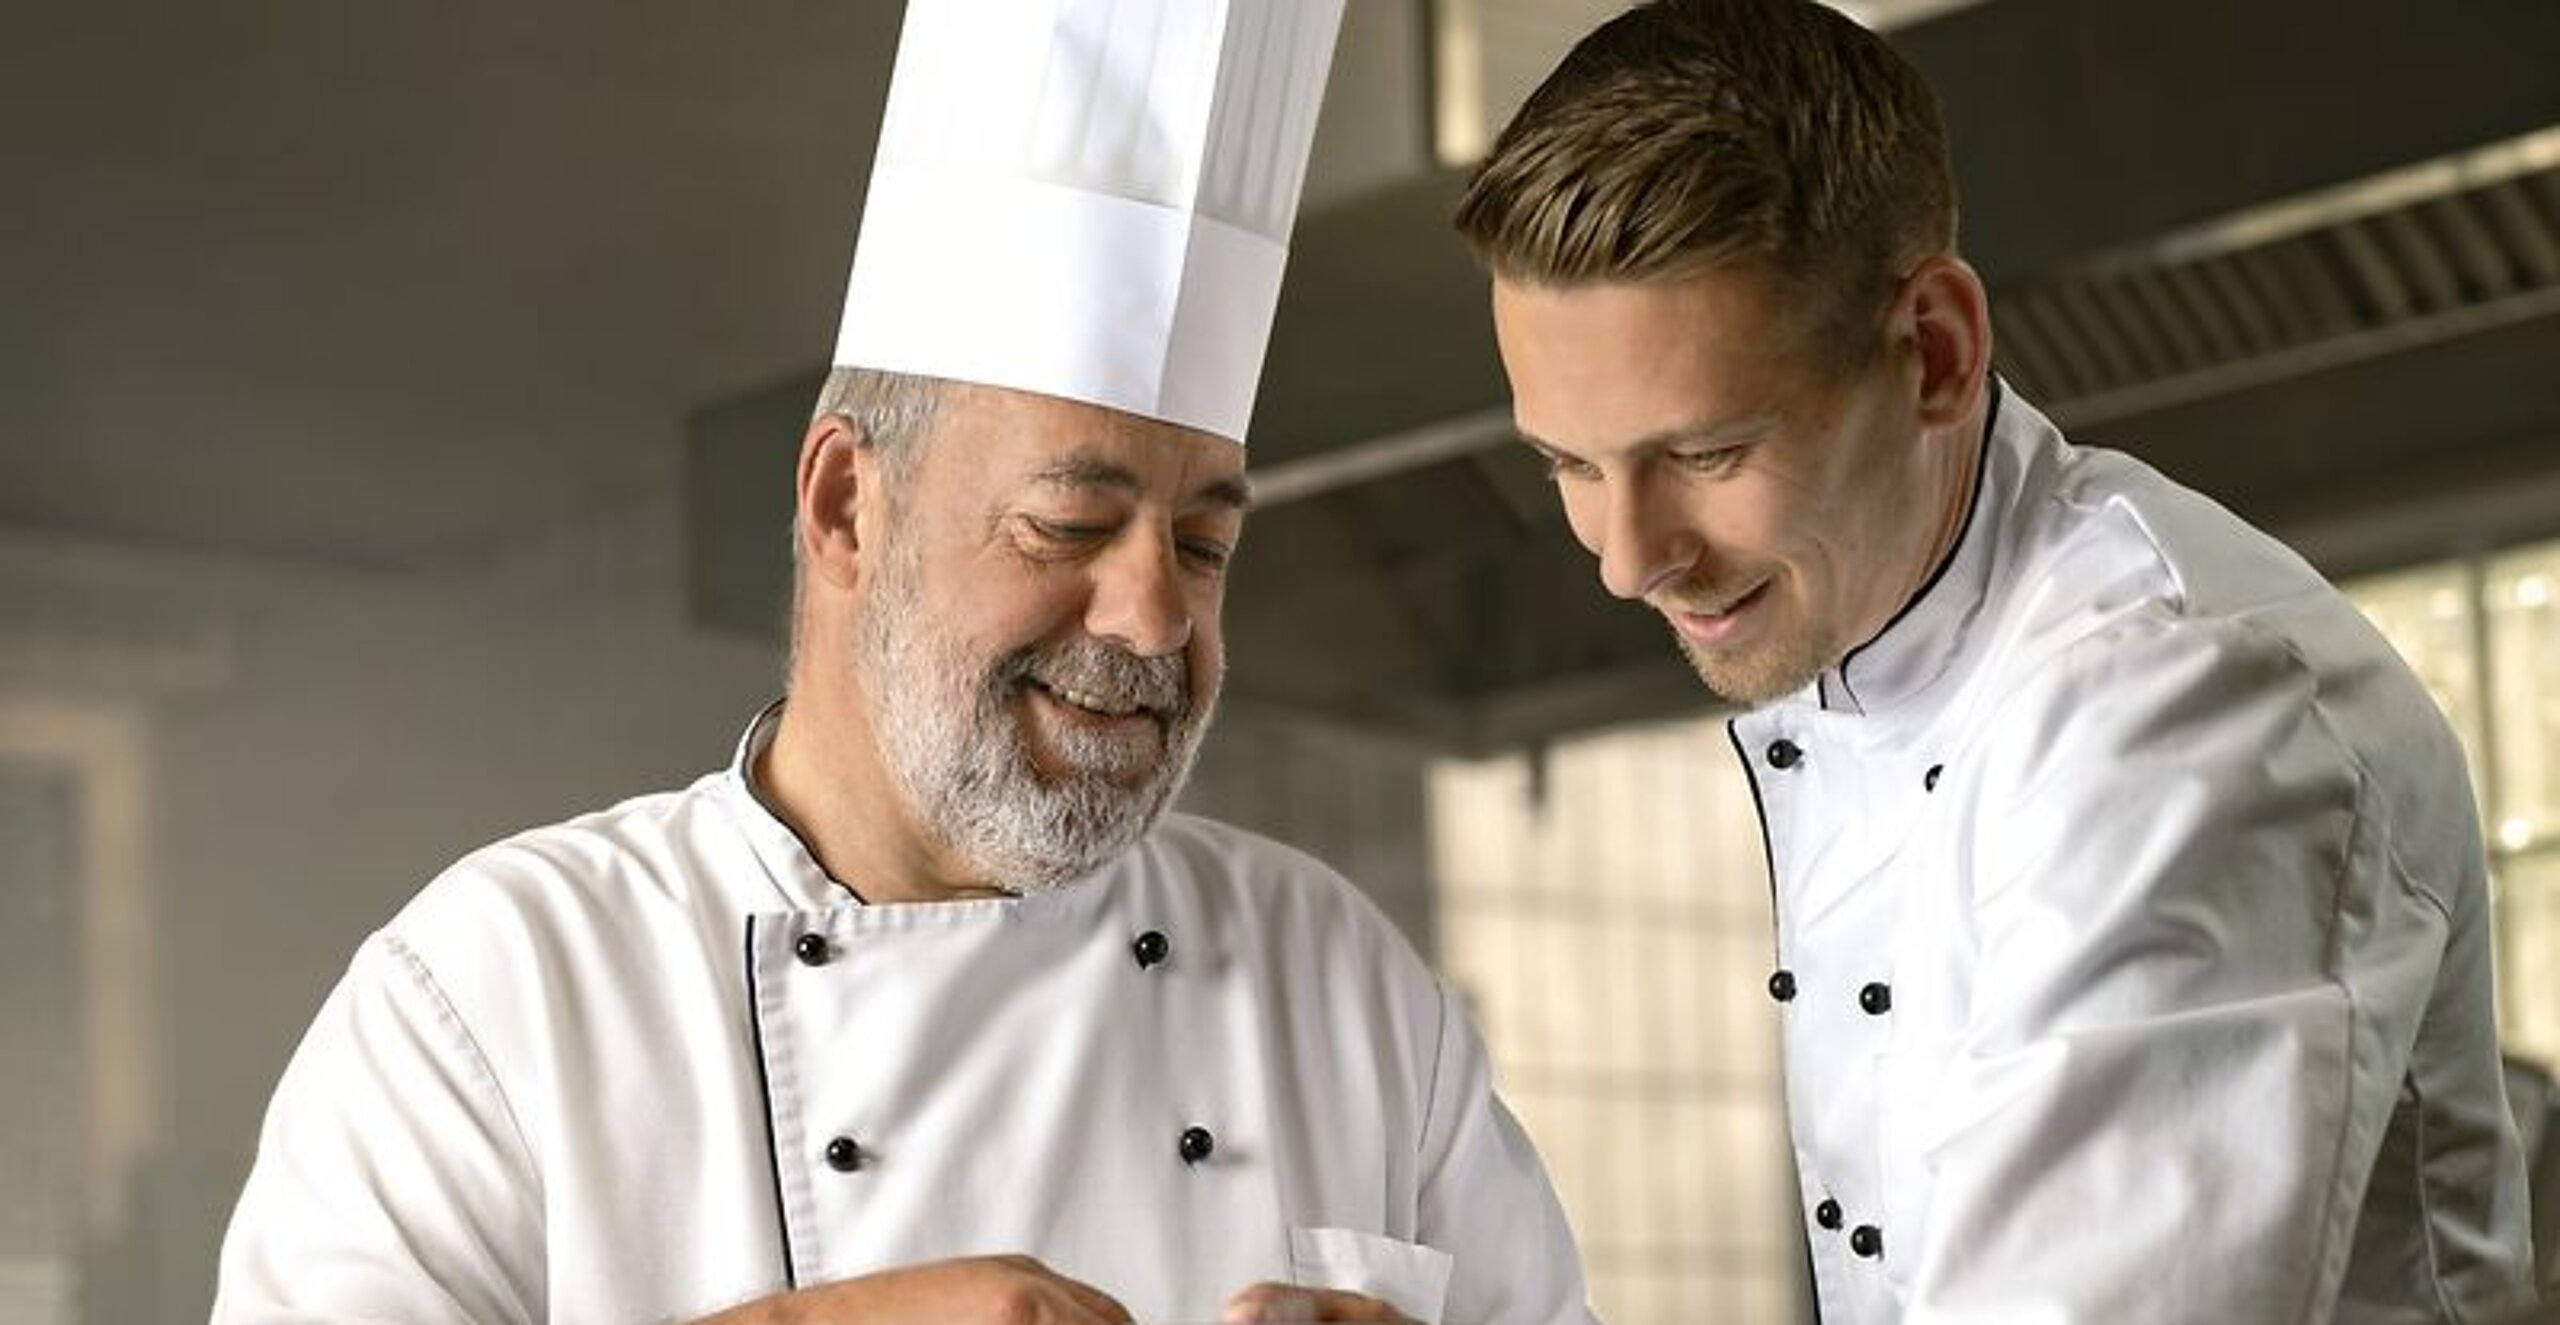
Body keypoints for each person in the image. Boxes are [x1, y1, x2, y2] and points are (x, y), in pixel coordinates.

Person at [213, 4, 1594, 1323]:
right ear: (843, 508)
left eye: (1204, 542)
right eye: (1068, 525)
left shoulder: (1339, 981)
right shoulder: (500, 989)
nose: (1155, 617)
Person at [1451, 0, 2539, 1319]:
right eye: (1568, 464)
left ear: (1938, 354)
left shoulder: (2174, 711)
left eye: (1706, 453)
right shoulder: (1868, 652)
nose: (1628, 559)